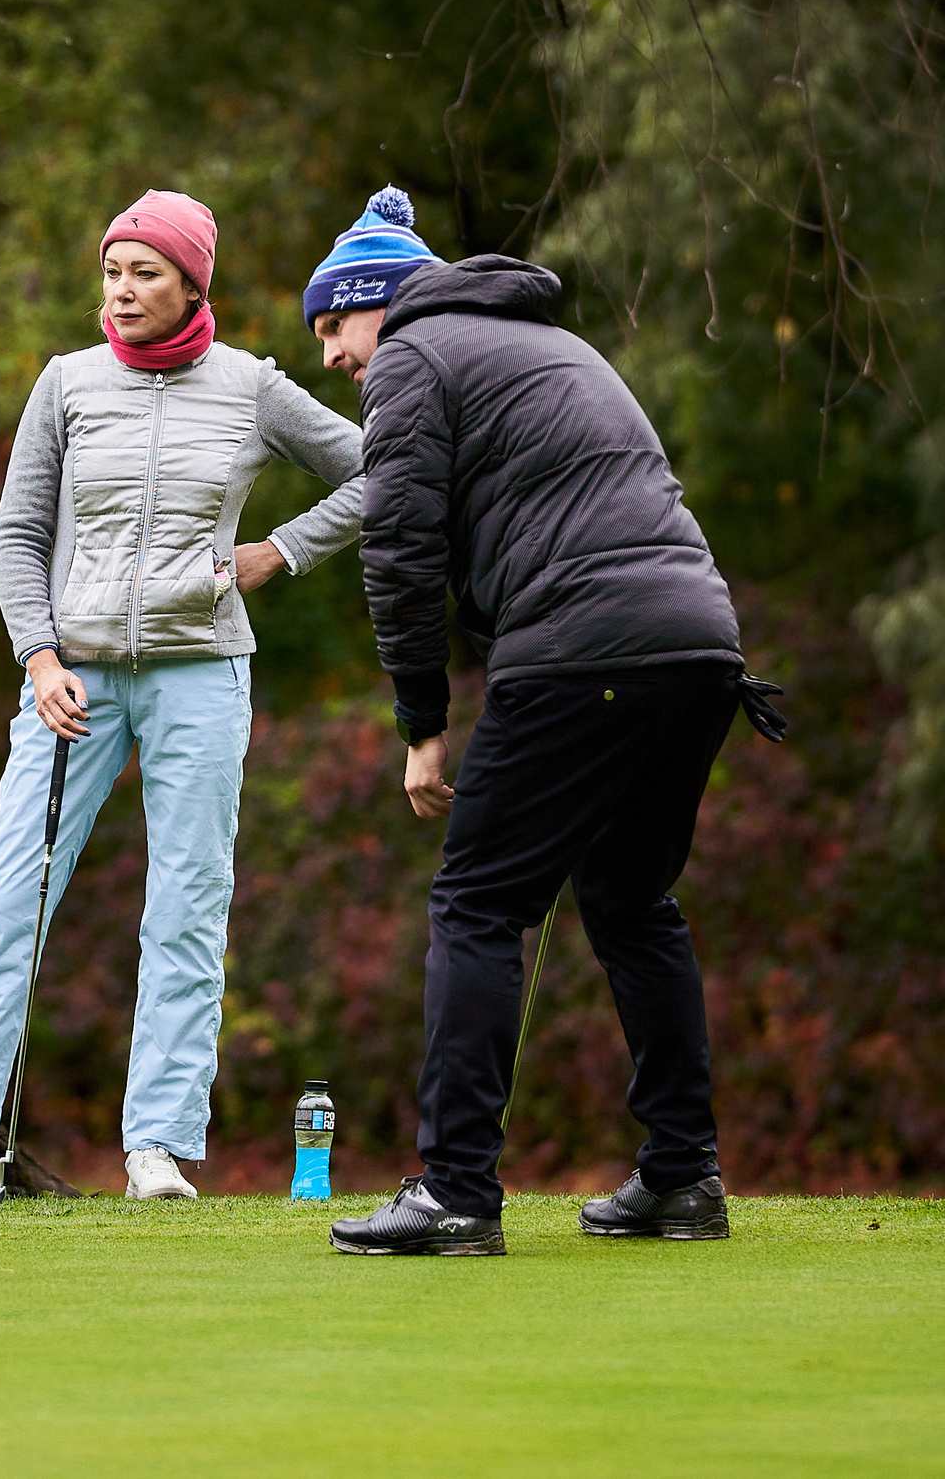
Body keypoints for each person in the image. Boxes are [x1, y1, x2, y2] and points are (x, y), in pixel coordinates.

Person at [300, 186, 785, 1256]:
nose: (333, 358)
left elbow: (400, 554)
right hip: (699, 646)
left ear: (375, 303)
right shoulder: (543, 345)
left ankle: (458, 1191)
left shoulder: (417, 358)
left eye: (333, 328)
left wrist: (421, 725)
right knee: (628, 898)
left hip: (587, 652)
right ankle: (682, 1179)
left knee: (477, 901)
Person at [0, 189, 369, 1204]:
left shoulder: (252, 389)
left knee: (186, 906)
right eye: (112, 271)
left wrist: (283, 550)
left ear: (191, 283)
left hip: (201, 671)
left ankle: (156, 1150)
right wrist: (39, 661)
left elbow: (383, 468)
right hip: (73, 680)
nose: (123, 290)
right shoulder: (65, 385)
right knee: (8, 900)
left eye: (145, 272)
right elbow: (17, 538)